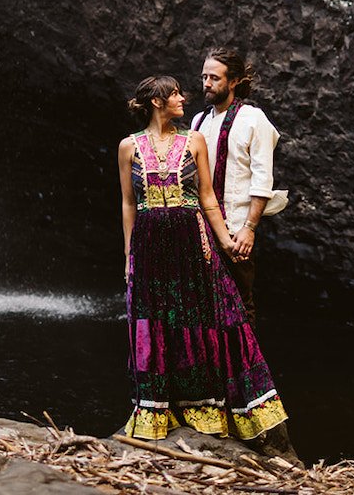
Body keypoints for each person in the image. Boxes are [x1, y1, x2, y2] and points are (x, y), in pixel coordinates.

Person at [118, 74, 289, 442]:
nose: (184, 98)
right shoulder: (128, 147)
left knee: (196, 318)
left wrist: (227, 242)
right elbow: (128, 203)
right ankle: (157, 407)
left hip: (192, 242)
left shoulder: (193, 140)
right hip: (149, 244)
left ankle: (204, 407)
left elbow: (208, 198)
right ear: (157, 102)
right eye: (175, 93)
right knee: (156, 320)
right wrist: (129, 255)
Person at [192, 48, 278, 325]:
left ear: (233, 82)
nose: (206, 83)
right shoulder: (198, 121)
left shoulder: (254, 119)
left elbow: (263, 178)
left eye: (214, 78)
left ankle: (246, 367)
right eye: (204, 76)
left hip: (237, 231)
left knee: (239, 306)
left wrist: (249, 228)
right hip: (201, 230)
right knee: (202, 305)